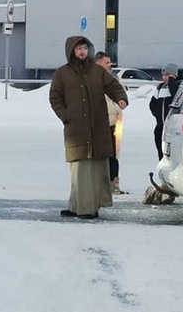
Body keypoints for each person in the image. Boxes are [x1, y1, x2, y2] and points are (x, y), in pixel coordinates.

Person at [49, 36, 129, 219]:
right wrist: (66, 115)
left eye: (84, 48)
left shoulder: (96, 71)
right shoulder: (62, 73)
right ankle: (78, 206)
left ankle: (89, 207)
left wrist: (121, 98)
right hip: (76, 130)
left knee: (96, 169)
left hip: (98, 129)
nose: (82, 52)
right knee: (80, 170)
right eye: (78, 49)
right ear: (71, 51)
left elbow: (113, 86)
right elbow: (55, 98)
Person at [94, 51, 126, 195]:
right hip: (97, 123)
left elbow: (120, 95)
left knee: (113, 154)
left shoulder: (113, 79)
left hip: (113, 122)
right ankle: (99, 183)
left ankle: (113, 182)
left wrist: (120, 108)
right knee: (99, 155)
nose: (110, 65)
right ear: (98, 63)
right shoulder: (92, 79)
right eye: (107, 62)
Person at [149, 63, 180, 161]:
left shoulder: (178, 86)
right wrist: (156, 114)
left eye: (168, 75)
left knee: (170, 153)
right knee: (160, 151)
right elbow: (153, 103)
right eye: (164, 75)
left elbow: (176, 97)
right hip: (160, 126)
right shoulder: (160, 87)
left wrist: (172, 83)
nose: (165, 77)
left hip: (171, 127)